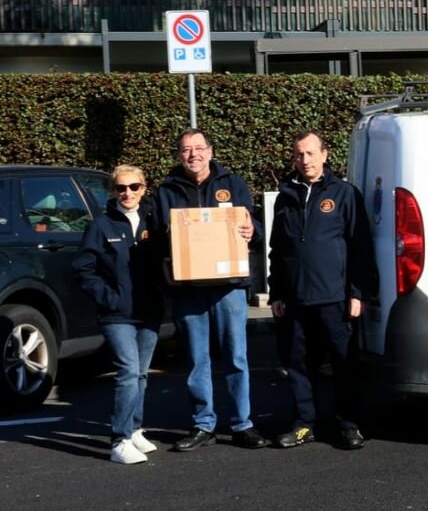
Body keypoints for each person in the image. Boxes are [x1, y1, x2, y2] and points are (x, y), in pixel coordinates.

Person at [155, 129, 269, 451]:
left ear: (210, 150)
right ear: (178, 155)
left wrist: (252, 229)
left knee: (236, 356)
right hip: (188, 289)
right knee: (196, 359)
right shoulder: (167, 190)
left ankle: (242, 424)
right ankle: (203, 424)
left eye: (199, 148)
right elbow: (157, 241)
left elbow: (254, 229)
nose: (193, 155)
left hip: (228, 287)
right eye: (186, 149)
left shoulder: (232, 184)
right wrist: (168, 270)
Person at [269, 131, 377, 450]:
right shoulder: (285, 196)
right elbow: (278, 249)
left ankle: (348, 425)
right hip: (295, 299)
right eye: (300, 155)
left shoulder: (344, 194)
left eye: (311, 153)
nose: (305, 160)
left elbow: (360, 247)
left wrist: (357, 292)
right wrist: (276, 292)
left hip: (335, 299)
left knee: (344, 364)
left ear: (325, 155)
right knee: (299, 365)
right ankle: (304, 425)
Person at [73, 165, 162, 464]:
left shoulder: (155, 221)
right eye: (121, 188)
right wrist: (108, 298)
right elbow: (84, 270)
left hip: (149, 310)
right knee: (127, 371)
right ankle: (119, 439)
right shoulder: (100, 226)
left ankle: (136, 428)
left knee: (141, 374)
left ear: (144, 187)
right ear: (113, 191)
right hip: (116, 314)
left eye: (134, 187)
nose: (128, 193)